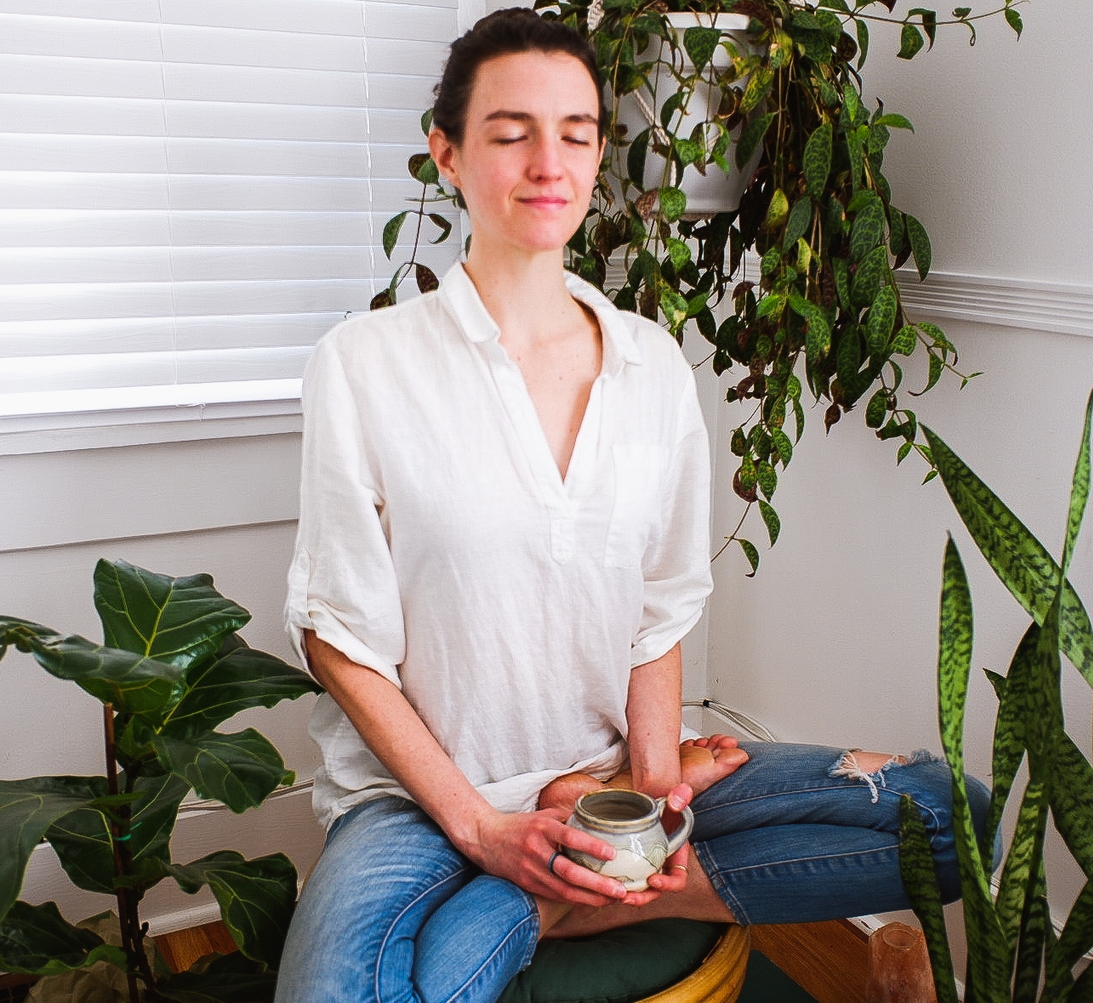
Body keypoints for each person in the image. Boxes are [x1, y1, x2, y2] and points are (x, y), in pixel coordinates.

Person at [274, 10, 990, 1003]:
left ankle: (598, 896)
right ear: (447, 152)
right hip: (420, 802)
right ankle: (531, 881)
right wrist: (484, 830)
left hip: (607, 777)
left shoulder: (652, 366)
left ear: (599, 153)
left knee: (954, 812)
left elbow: (659, 611)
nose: (547, 160)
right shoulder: (364, 364)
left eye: (574, 130)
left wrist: (654, 786)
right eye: (510, 130)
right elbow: (338, 638)